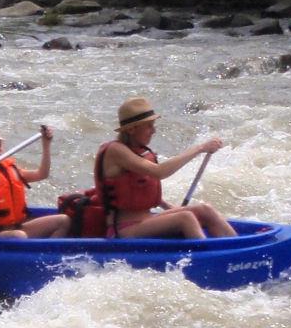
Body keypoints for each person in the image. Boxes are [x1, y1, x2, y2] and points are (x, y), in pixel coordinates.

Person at [97, 97, 236, 239]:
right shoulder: (115, 151)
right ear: (131, 129)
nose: (153, 130)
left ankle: (237, 246)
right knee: (185, 218)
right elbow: (159, 172)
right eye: (149, 126)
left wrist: (168, 207)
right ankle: (209, 252)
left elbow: (140, 188)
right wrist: (200, 148)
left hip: (147, 220)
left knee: (205, 210)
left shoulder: (139, 151)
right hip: (123, 229)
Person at [0, 125, 70, 238]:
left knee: (63, 220)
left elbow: (42, 174)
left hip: (18, 226)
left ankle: (49, 249)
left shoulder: (9, 169)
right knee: (19, 236)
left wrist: (46, 144)